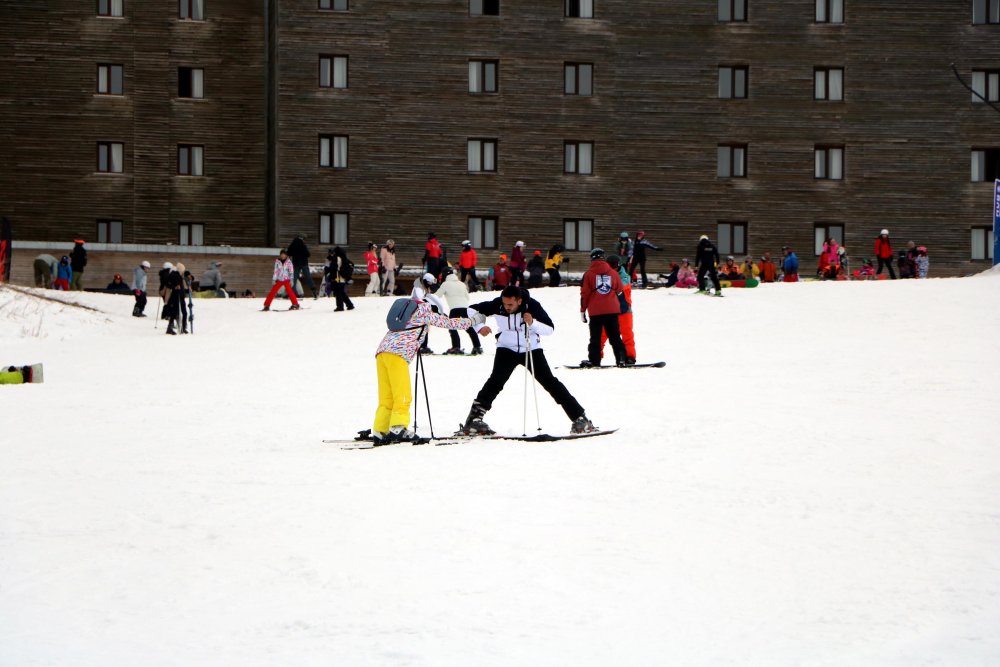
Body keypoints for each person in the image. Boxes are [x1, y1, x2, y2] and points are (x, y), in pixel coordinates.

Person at [462, 285, 595, 435]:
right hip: (506, 348)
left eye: (510, 304)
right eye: (504, 304)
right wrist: (479, 327)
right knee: (495, 382)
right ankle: (473, 421)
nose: (506, 307)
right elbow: (471, 309)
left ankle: (580, 419)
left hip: (531, 349)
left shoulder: (532, 305)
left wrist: (532, 323)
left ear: (519, 301)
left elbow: (550, 329)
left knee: (551, 383)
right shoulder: (498, 304)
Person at [370, 294, 483, 444]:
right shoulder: (424, 312)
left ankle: (380, 429)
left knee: (387, 396)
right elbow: (450, 323)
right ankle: (398, 427)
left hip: (383, 352)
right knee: (402, 394)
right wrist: (473, 321)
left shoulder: (406, 313)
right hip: (398, 354)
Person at [580, 247, 627, 367]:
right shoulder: (613, 273)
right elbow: (620, 290)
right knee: (615, 336)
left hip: (595, 312)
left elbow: (584, 294)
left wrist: (582, 311)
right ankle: (621, 359)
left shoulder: (588, 274)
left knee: (595, 337)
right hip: (612, 310)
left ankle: (594, 361)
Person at [436, 267, 483, 355]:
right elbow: (467, 297)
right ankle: (477, 347)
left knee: (452, 328)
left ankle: (456, 347)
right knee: (469, 327)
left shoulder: (445, 284)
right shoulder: (461, 284)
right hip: (465, 308)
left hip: (454, 309)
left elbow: (437, 296)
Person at [601, 255, 635, 364]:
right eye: (610, 266)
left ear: (618, 265)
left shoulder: (624, 276)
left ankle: (630, 357)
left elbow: (623, 284)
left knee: (627, 334)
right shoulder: (604, 276)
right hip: (610, 311)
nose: (613, 268)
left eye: (614, 265)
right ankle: (596, 356)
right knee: (602, 334)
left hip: (625, 310)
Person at [411, 272, 446, 353]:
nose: (431, 285)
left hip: (422, 311)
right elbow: (420, 299)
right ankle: (420, 346)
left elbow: (433, 299)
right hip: (416, 311)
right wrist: (432, 307)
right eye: (430, 283)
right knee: (420, 329)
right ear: (426, 281)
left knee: (425, 328)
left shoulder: (425, 288)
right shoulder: (418, 288)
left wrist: (441, 312)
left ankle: (423, 346)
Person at [164, 263, 189, 334]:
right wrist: (174, 287)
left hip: (181, 296)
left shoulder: (179, 276)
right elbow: (168, 284)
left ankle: (183, 327)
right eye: (183, 271)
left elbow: (181, 287)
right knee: (174, 313)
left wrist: (186, 290)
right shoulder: (174, 275)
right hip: (176, 297)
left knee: (184, 312)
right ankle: (170, 328)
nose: (183, 272)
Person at [328, 246, 355, 311]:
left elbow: (333, 269)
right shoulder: (344, 258)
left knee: (338, 293)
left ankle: (340, 307)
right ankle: (350, 305)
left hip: (337, 278)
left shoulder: (336, 258)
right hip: (343, 278)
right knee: (342, 292)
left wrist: (331, 277)